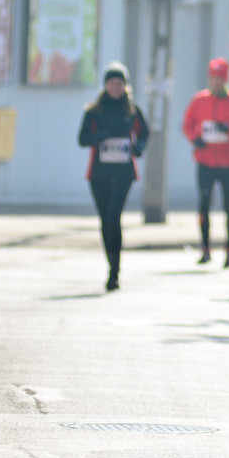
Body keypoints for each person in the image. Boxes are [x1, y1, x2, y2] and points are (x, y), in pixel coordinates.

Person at [78, 62, 150, 291]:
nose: (116, 87)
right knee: (104, 222)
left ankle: (114, 272)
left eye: (119, 84)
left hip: (123, 173)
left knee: (113, 218)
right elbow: (82, 139)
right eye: (112, 83)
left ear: (125, 86)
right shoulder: (94, 111)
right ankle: (110, 262)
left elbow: (145, 134)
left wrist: (138, 148)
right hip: (98, 173)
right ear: (105, 85)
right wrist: (104, 135)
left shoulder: (132, 110)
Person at [181, 57, 229, 268]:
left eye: (220, 79)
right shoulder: (199, 100)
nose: (217, 83)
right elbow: (188, 124)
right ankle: (205, 248)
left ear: (226, 79)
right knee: (204, 204)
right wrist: (196, 138)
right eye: (213, 78)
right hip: (205, 161)